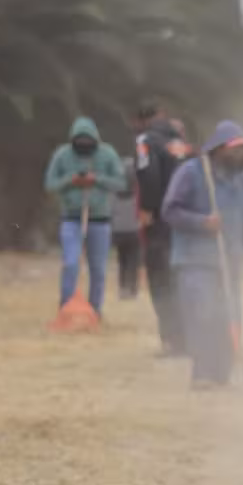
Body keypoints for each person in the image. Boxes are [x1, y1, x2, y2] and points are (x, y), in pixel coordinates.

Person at [162, 121, 243, 390]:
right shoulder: (190, 172)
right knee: (203, 315)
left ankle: (222, 374)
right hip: (195, 261)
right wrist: (202, 222)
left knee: (228, 318)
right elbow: (170, 210)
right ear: (218, 149)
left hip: (228, 262)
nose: (240, 155)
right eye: (235, 149)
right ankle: (202, 374)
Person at [44, 117, 127, 317]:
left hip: (99, 220)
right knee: (71, 263)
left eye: (88, 141)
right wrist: (70, 181)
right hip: (71, 218)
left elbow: (120, 183)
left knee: (98, 269)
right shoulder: (62, 155)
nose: (84, 145)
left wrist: (96, 179)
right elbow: (50, 184)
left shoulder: (107, 154)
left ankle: (95, 310)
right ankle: (66, 308)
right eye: (79, 141)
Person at [135, 101, 193, 356]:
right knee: (184, 280)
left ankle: (171, 341)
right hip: (187, 222)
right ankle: (190, 339)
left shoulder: (145, 140)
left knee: (161, 280)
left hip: (161, 220)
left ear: (142, 121)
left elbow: (148, 173)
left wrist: (147, 208)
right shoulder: (182, 143)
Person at [111, 156, 141, 300]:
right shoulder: (138, 192)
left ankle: (123, 288)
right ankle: (132, 289)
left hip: (118, 231)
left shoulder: (113, 191)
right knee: (133, 261)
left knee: (122, 261)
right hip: (134, 230)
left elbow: (110, 211)